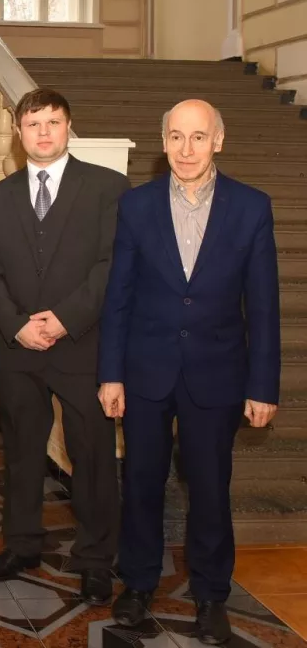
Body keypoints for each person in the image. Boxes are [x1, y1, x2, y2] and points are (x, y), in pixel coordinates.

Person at [98, 99, 280, 644]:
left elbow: (264, 307)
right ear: (164, 143)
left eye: (197, 137)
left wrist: (263, 385)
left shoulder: (251, 208)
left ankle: (209, 595)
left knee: (210, 488)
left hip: (218, 374)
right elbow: (119, 297)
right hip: (146, 371)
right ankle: (136, 584)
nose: (186, 149)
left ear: (218, 141)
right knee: (142, 482)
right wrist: (111, 373)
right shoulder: (137, 206)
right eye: (176, 137)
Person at [0, 88, 128, 604]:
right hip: (18, 347)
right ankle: (22, 546)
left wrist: (63, 319)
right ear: (18, 133)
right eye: (33, 123)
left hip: (82, 344)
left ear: (69, 127)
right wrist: (18, 325)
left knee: (93, 457)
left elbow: (111, 267)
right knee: (20, 453)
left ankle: (94, 560)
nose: (43, 132)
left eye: (53, 122)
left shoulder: (108, 188)